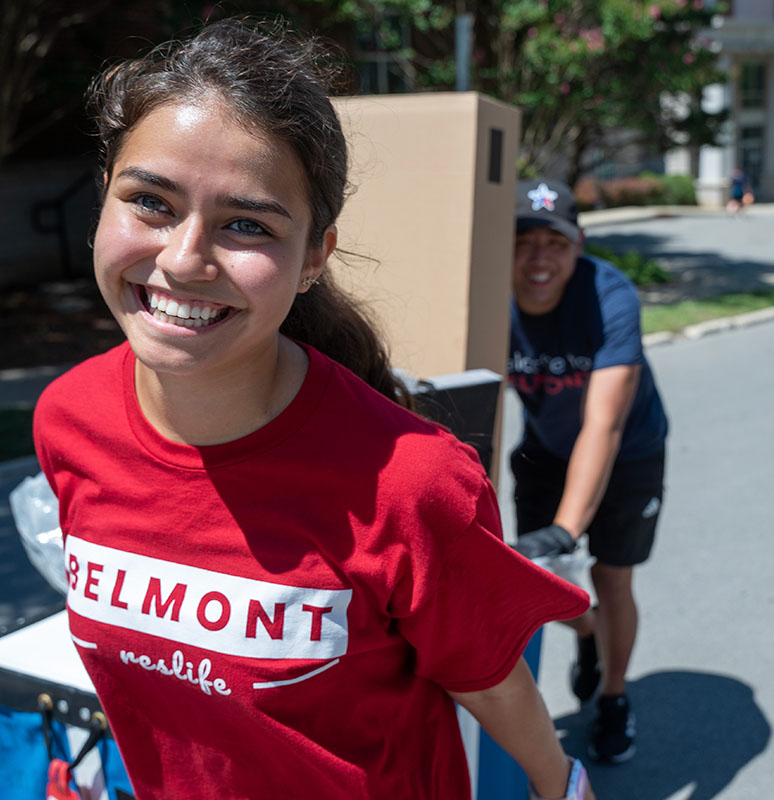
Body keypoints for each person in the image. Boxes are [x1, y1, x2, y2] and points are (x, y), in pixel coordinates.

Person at [33, 21, 596, 800]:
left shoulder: (413, 484)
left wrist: (561, 785)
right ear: (106, 198)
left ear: (314, 258)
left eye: (246, 225)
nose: (184, 259)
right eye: (151, 203)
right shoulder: (68, 418)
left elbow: (491, 679)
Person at [509, 178, 668, 765]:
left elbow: (604, 425)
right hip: (546, 451)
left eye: (554, 241)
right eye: (524, 241)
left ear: (577, 243)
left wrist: (567, 531)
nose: (539, 258)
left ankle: (613, 696)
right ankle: (590, 636)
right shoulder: (490, 295)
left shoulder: (610, 295)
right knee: (542, 584)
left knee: (612, 576)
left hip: (629, 451)